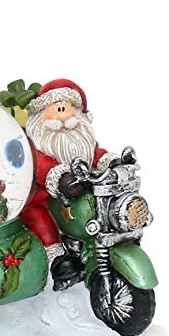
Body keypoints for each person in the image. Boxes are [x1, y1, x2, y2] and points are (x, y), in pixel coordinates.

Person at [21, 79, 118, 290]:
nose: (62, 113)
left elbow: (95, 155)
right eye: (55, 107)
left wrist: (111, 162)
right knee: (40, 218)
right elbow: (40, 165)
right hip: (43, 197)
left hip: (83, 196)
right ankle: (57, 259)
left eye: (66, 106)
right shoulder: (36, 145)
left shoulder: (82, 140)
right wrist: (60, 177)